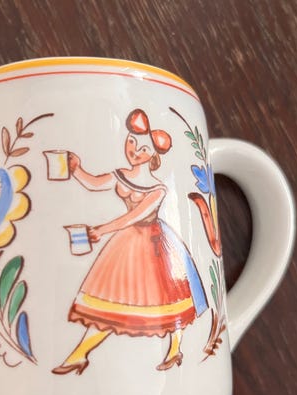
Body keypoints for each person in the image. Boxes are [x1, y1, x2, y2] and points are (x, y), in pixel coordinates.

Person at [52, 109, 207, 375]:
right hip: (127, 244)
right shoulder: (121, 175)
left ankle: (174, 349)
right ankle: (79, 354)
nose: (134, 150)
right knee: (109, 299)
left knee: (168, 299)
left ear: (153, 156)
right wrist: (75, 169)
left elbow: (132, 217)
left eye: (143, 148)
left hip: (153, 245)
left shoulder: (158, 190)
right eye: (132, 142)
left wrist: (100, 230)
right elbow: (94, 184)